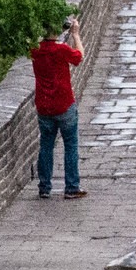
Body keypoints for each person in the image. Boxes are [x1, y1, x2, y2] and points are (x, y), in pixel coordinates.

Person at [32, 17, 86, 199]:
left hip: (44, 106)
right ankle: (71, 187)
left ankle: (44, 187)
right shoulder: (61, 50)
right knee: (70, 145)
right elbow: (79, 57)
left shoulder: (35, 50)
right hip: (64, 104)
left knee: (45, 146)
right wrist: (76, 34)